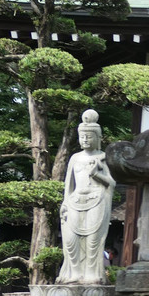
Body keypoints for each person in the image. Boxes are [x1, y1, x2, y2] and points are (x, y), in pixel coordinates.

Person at [56, 110, 115, 284]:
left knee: (93, 241)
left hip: (96, 201)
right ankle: (73, 274)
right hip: (74, 201)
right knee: (70, 241)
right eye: (82, 136)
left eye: (89, 136)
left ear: (98, 138)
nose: (85, 140)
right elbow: (69, 185)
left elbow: (111, 183)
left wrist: (96, 175)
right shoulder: (75, 158)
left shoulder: (103, 158)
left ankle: (91, 274)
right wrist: (64, 203)